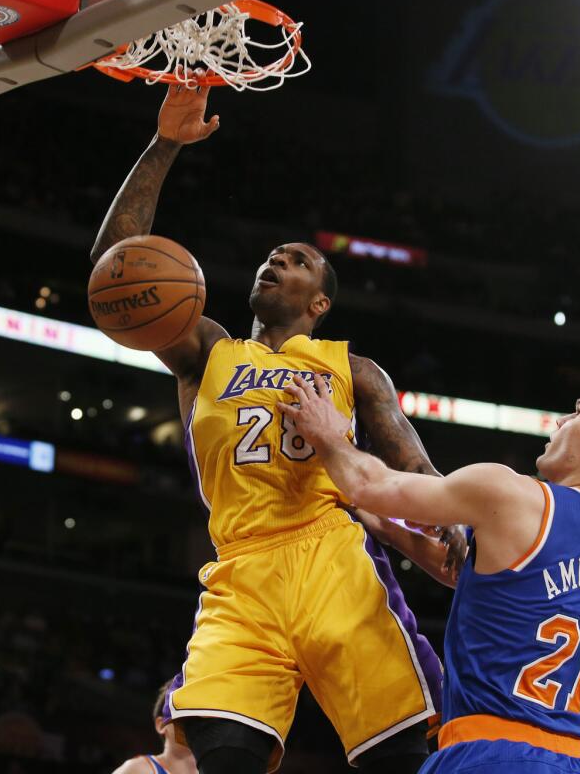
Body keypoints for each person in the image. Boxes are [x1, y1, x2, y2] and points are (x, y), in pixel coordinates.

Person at [91, 82, 464, 774]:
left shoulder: (355, 369)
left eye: (297, 260)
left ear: (319, 301)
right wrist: (165, 142)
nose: (277, 260)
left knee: (405, 759)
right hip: (241, 567)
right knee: (224, 758)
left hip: (333, 557)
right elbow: (117, 273)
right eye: (272, 254)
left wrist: (456, 528)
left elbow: (415, 470)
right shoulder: (206, 350)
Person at [280, 379, 580, 773]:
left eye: (578, 412)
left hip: (488, 754)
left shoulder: (514, 494)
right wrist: (395, 533)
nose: (561, 420)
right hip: (573, 760)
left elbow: (371, 485)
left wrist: (327, 432)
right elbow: (508, 593)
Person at [112, 681, 197, 774]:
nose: (193, 721)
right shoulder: (138, 769)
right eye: (184, 713)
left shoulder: (213, 768)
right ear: (161, 725)